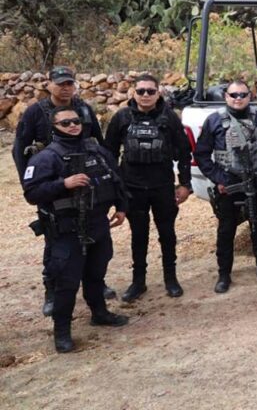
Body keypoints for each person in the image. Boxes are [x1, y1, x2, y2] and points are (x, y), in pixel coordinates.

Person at [21, 106, 130, 353]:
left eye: (76, 121)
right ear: (54, 127)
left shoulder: (96, 150)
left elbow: (115, 179)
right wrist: (64, 183)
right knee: (66, 282)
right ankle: (62, 332)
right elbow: (32, 193)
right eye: (65, 123)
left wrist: (122, 207)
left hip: (99, 225)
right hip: (67, 230)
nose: (73, 126)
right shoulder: (46, 158)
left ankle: (99, 313)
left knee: (96, 274)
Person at [12, 66, 114, 314]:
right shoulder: (35, 112)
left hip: (85, 181)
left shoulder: (84, 109)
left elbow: (99, 143)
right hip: (52, 183)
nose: (66, 88)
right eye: (60, 84)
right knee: (56, 240)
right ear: (49, 84)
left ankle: (95, 285)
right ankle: (52, 291)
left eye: (69, 83)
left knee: (93, 234)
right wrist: (31, 184)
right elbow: (19, 149)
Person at [103, 74, 193, 302]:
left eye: (150, 91)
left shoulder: (169, 117)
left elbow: (184, 151)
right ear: (133, 93)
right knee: (139, 235)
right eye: (141, 91)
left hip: (162, 187)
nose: (145, 95)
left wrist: (185, 184)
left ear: (158, 93)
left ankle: (171, 279)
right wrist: (115, 187)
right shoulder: (122, 117)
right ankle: (138, 281)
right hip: (132, 187)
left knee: (167, 234)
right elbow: (109, 154)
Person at [194, 80, 257, 293]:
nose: (238, 99)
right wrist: (219, 179)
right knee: (226, 230)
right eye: (234, 95)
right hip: (229, 184)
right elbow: (201, 154)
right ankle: (224, 274)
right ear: (226, 96)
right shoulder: (214, 120)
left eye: (243, 94)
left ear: (249, 96)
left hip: (256, 181)